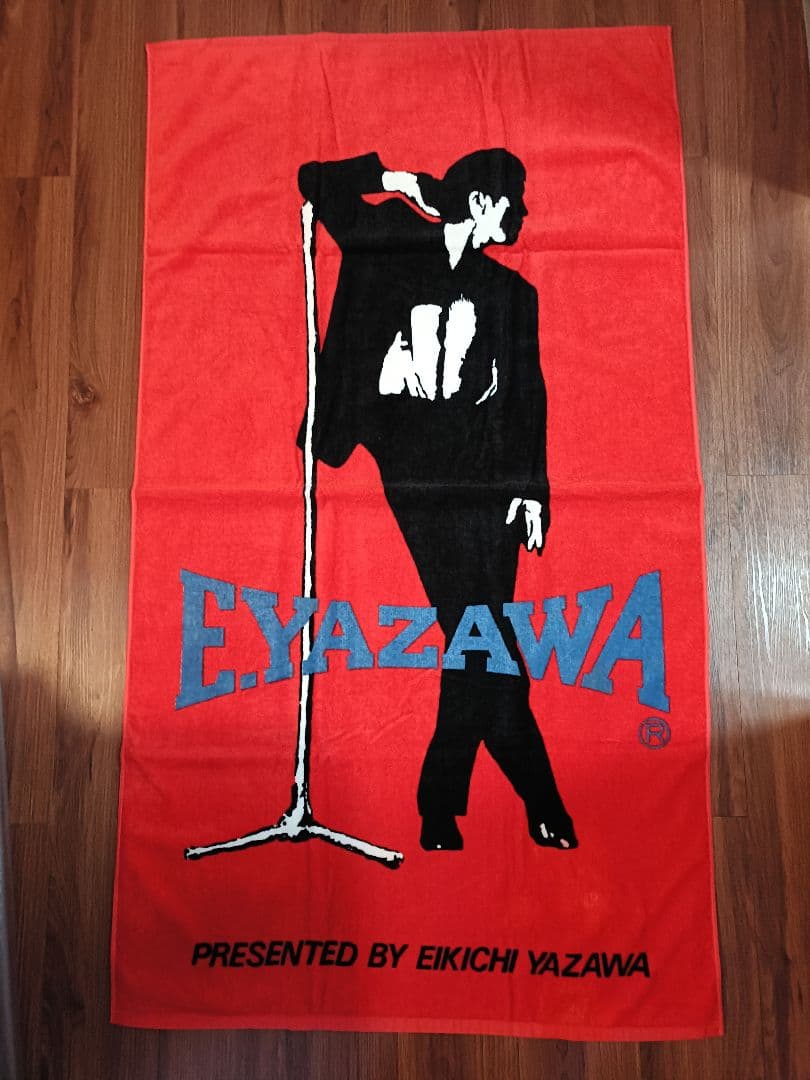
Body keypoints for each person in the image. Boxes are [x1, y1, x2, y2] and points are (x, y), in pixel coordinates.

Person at [297, 150, 577, 852]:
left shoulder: (514, 295)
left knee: (478, 636)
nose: (523, 212)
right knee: (482, 630)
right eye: (515, 198)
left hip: (489, 480)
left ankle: (440, 807)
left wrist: (530, 491)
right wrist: (403, 184)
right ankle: (539, 800)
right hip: (413, 462)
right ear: (481, 201)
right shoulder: (390, 239)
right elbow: (315, 181)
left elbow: (528, 398)